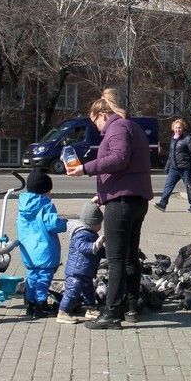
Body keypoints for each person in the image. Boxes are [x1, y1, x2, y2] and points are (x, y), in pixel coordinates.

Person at [66, 89, 153, 330]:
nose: (95, 126)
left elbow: (119, 159)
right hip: (134, 200)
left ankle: (112, 312)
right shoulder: (132, 126)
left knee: (116, 259)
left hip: (122, 203)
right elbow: (130, 166)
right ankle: (131, 307)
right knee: (130, 256)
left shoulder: (116, 128)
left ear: (102, 114)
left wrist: (85, 168)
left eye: (94, 120)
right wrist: (103, 193)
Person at [16, 169, 67, 318]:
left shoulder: (23, 207)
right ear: (44, 191)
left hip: (28, 252)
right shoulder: (46, 206)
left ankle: (30, 304)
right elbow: (53, 224)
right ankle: (41, 304)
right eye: (49, 191)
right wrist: (65, 223)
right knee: (44, 279)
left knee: (32, 277)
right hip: (44, 250)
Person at [57, 199, 105, 324]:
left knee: (89, 291)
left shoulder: (91, 233)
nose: (101, 226)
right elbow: (82, 247)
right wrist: (95, 245)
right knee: (72, 292)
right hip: (77, 272)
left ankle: (90, 309)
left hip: (86, 272)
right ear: (93, 223)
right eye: (100, 223)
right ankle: (62, 312)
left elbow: (99, 251)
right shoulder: (82, 234)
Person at [154, 117, 191, 212]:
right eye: (176, 127)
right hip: (174, 168)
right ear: (173, 128)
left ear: (183, 128)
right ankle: (162, 204)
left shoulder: (188, 138)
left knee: (189, 187)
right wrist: (167, 166)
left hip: (185, 168)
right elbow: (171, 154)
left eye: (180, 128)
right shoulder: (173, 139)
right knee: (168, 186)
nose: (178, 129)